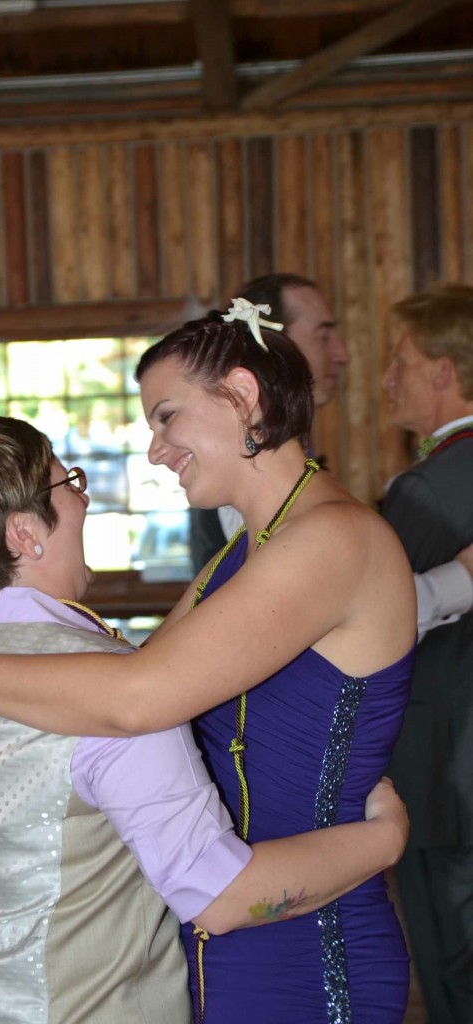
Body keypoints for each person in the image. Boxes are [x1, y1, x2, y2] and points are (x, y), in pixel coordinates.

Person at [0, 305, 417, 1023]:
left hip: (303, 936)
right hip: (209, 937)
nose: (154, 449)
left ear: (241, 395)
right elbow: (123, 679)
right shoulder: (240, 555)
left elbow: (138, 697)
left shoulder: (334, 540)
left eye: (166, 416)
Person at [190, 273, 473, 639]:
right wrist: (461, 579)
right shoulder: (243, 464)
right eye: (324, 335)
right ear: (274, 347)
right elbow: (316, 604)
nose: (342, 355)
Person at [381, 283, 473, 1024]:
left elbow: (382, 625)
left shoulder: (430, 487)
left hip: (449, 771)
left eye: (401, 359)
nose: (388, 376)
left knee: (454, 969)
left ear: (445, 371)